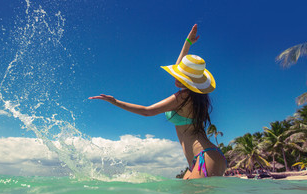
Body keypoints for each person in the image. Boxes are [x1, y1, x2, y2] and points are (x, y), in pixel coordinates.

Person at [89, 24, 227, 179]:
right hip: (206, 156)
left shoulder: (183, 98)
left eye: (181, 77)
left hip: (204, 157)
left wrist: (115, 102)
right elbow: (178, 65)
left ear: (189, 82)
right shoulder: (197, 97)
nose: (176, 78)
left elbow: (147, 111)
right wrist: (187, 42)